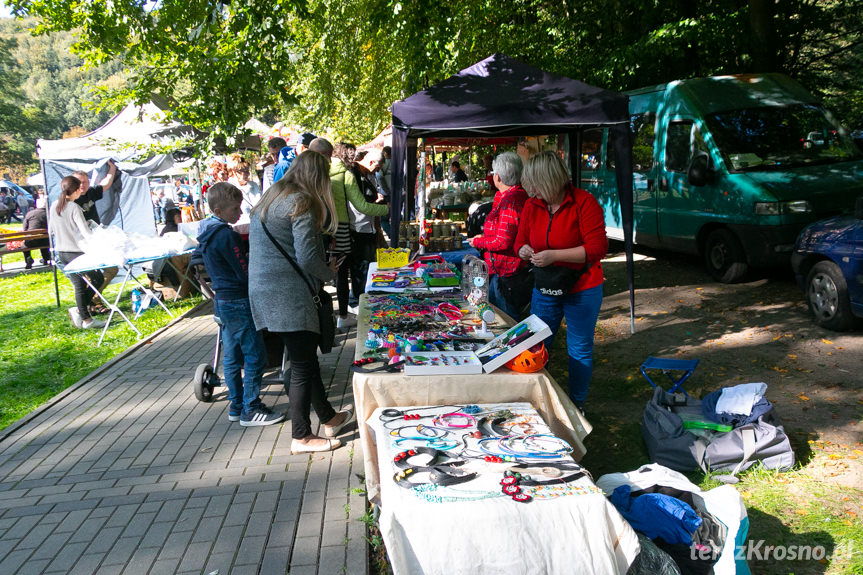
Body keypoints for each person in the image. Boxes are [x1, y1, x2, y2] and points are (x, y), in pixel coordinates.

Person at [248, 151, 354, 454]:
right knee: (302, 366)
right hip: (289, 295)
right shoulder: (303, 201)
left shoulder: (271, 196)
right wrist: (330, 273)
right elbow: (307, 256)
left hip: (264, 293)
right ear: (319, 177)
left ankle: (329, 417)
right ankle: (301, 436)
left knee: (304, 358)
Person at [514, 151, 608, 414]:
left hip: (582, 286)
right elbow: (519, 241)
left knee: (579, 349)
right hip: (545, 286)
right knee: (535, 343)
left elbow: (597, 248)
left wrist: (555, 255)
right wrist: (523, 250)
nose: (529, 190)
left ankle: (577, 405)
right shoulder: (532, 206)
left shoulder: (584, 202)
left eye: (533, 184)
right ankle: (533, 398)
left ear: (548, 180)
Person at [196, 182, 285, 427]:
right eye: (235, 208)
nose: (239, 212)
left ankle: (237, 405)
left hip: (223, 300)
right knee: (255, 356)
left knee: (232, 356)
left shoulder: (207, 235)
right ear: (218, 210)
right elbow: (243, 270)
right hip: (238, 299)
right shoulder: (227, 235)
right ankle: (251, 407)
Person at [329, 142, 388, 329]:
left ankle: (345, 314)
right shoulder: (348, 174)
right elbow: (360, 205)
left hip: (335, 228)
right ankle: (352, 310)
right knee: (355, 269)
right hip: (351, 228)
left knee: (342, 271)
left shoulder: (329, 173)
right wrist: (385, 208)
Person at [468, 152, 530, 320]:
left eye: (493, 173)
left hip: (507, 273)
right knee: (499, 317)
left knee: (507, 320)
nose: (492, 176)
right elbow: (501, 233)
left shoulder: (512, 200)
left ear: (499, 177)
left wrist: (479, 241)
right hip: (502, 271)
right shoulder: (510, 196)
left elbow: (503, 242)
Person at [49, 176, 106, 330]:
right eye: (79, 188)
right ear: (74, 191)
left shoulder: (54, 205)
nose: (82, 190)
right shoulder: (74, 207)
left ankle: (84, 315)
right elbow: (85, 233)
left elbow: (51, 230)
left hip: (62, 252)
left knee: (79, 285)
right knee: (97, 278)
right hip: (76, 252)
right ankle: (83, 314)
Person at [227, 155, 262, 224]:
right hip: (240, 228)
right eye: (244, 171)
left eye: (247, 170)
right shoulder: (228, 189)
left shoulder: (254, 185)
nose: (248, 174)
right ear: (235, 172)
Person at [22, 197, 51, 269]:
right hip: (46, 241)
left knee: (24, 246)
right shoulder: (49, 213)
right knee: (43, 238)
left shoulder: (30, 213)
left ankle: (28, 258)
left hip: (32, 241)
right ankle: (46, 258)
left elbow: (24, 228)